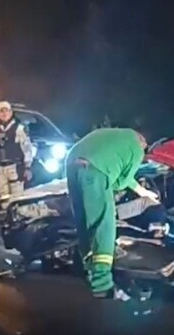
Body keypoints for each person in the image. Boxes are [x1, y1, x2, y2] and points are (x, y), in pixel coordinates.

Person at [65, 127, 159, 299]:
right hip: (95, 170)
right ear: (144, 144)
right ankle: (103, 285)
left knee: (85, 223)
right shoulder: (137, 149)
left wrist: (141, 191)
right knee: (104, 226)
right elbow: (121, 183)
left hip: (71, 165)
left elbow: (122, 173)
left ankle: (89, 271)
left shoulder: (117, 136)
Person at [0, 101, 34, 207]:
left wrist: (27, 167)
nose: (4, 114)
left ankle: (19, 220)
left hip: (15, 167)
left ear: (11, 112)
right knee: (4, 198)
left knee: (17, 197)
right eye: (1, 111)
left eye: (6, 111)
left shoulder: (19, 128)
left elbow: (27, 148)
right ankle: (8, 219)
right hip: (0, 168)